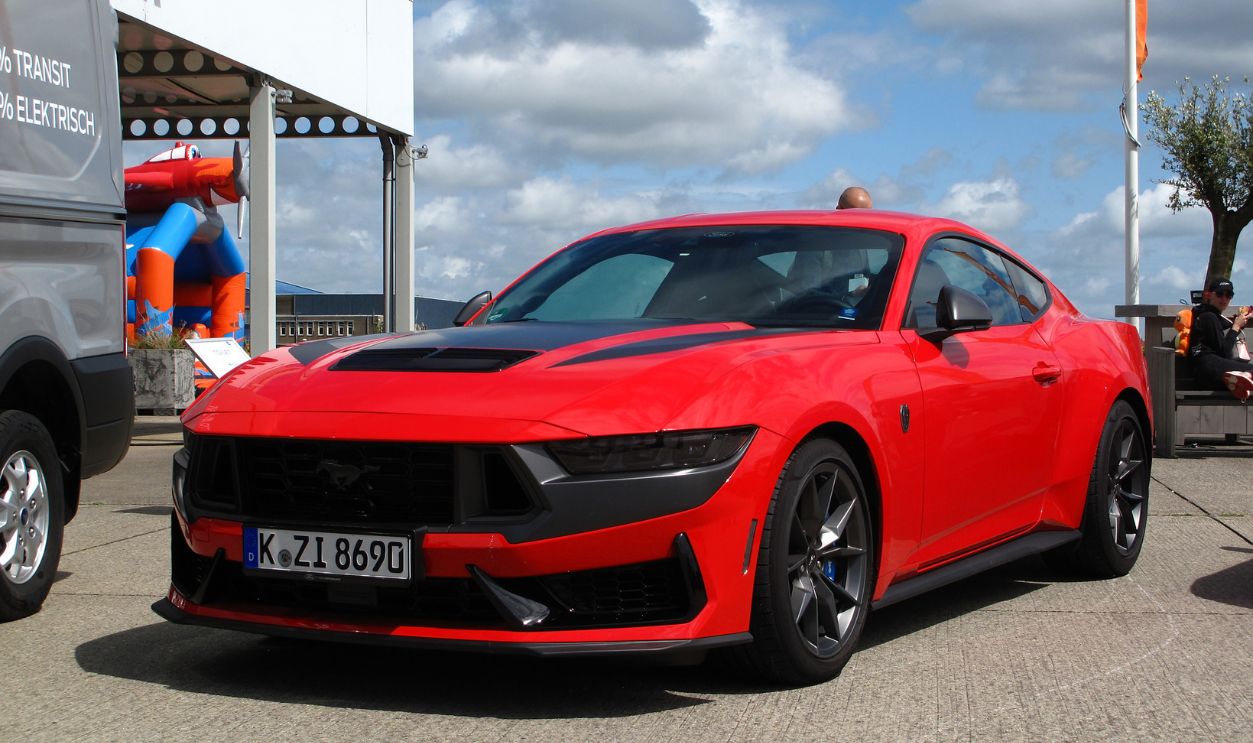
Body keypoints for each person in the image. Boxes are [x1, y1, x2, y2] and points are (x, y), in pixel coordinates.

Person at [1189, 276, 1253, 401]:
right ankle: (1244, 376)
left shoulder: (1208, 315)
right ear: (1209, 295)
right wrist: (1236, 326)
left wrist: (1238, 323)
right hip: (1208, 370)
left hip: (1209, 371)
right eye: (1219, 294)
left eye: (1228, 295)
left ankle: (1239, 382)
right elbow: (1224, 351)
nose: (1224, 298)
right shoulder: (1208, 317)